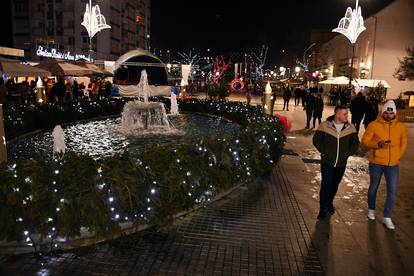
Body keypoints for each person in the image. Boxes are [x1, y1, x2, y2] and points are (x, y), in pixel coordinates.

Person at [361, 100, 407, 230]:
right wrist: (378, 144)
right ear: (383, 112)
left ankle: (387, 217)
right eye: (386, 112)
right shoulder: (373, 125)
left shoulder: (401, 127)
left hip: (393, 164)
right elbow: (365, 141)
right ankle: (371, 209)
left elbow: (403, 144)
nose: (388, 114)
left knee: (392, 191)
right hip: (376, 163)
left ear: (395, 113)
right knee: (373, 187)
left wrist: (397, 156)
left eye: (391, 112)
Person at [313, 105, 359, 220]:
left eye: (347, 114)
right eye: (345, 114)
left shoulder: (351, 128)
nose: (347, 116)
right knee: (326, 185)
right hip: (327, 162)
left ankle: (329, 203)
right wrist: (324, 152)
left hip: (341, 164)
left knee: (334, 185)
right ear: (337, 115)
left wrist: (347, 154)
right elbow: (316, 140)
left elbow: (355, 143)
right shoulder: (325, 125)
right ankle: (323, 209)